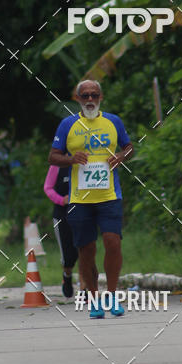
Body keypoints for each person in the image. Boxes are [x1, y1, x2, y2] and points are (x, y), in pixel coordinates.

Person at [48, 80, 134, 318]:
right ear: (77, 99)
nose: (89, 99)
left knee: (112, 242)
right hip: (80, 199)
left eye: (93, 95)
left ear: (100, 97)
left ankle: (114, 295)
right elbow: (53, 157)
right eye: (84, 95)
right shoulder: (68, 125)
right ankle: (95, 299)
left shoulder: (113, 121)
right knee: (86, 250)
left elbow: (129, 147)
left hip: (109, 195)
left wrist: (121, 156)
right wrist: (71, 159)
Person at [43, 164, 85, 298]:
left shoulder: (84, 162)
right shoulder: (57, 165)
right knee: (68, 257)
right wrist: (61, 200)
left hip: (83, 212)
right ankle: (67, 275)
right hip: (62, 215)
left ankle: (84, 287)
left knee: (84, 250)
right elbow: (48, 188)